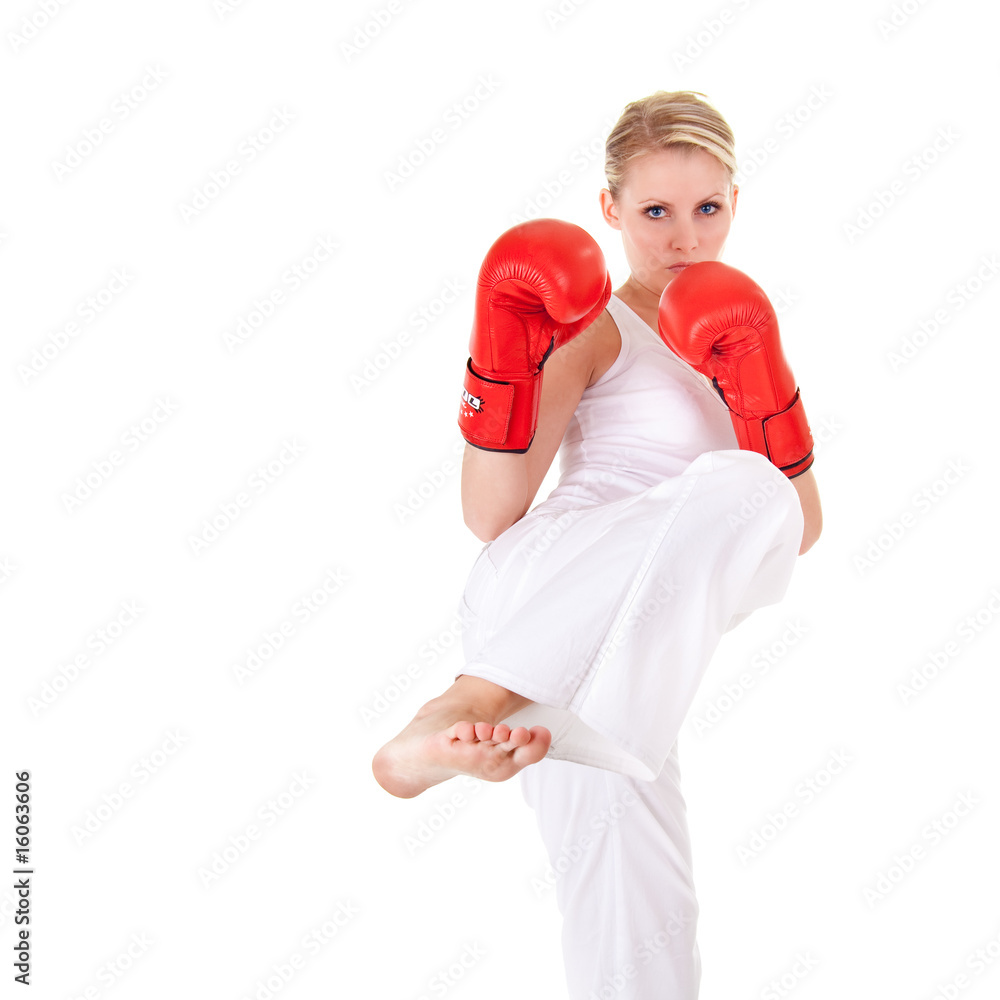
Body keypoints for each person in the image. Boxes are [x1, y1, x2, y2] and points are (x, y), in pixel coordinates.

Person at [372, 90, 822, 999]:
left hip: (625, 650)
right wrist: (505, 350)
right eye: (655, 211)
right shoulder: (594, 326)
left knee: (645, 919)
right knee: (742, 484)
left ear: (738, 200)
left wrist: (758, 385)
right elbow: (491, 516)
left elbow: (798, 527)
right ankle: (447, 714)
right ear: (610, 210)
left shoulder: (739, 330)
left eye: (707, 209)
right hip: (547, 591)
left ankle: (478, 710)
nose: (683, 239)